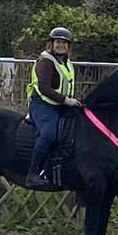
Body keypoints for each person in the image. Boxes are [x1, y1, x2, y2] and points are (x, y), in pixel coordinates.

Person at [26, 26, 80, 183]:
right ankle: (33, 173)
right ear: (52, 44)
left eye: (64, 43)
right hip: (42, 104)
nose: (61, 45)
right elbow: (44, 88)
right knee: (49, 133)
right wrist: (67, 101)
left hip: (60, 104)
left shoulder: (66, 63)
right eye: (58, 42)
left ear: (68, 46)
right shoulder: (46, 62)